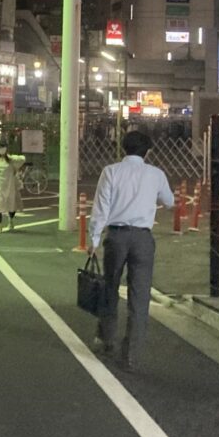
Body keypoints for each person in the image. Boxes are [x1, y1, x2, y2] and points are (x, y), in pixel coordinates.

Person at [88, 130, 174, 371]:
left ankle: (106, 340)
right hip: (143, 239)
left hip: (116, 236)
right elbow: (170, 201)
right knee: (139, 296)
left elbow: (101, 208)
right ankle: (131, 356)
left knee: (110, 287)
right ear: (148, 152)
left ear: (123, 148)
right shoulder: (155, 174)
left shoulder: (111, 171)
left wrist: (94, 239)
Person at [0, 141, 25, 232]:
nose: (1, 149)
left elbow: (22, 159)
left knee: (11, 205)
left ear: (6, 148)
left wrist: (11, 157)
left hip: (10, 185)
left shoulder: (11, 160)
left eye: (3, 147)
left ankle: (10, 220)